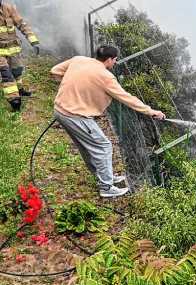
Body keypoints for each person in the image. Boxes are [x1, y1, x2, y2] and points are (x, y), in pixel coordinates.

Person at [50, 46, 165, 198]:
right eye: (115, 59)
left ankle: (104, 176)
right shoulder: (105, 77)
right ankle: (106, 187)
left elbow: (55, 71)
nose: (115, 62)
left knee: (87, 147)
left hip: (60, 110)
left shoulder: (79, 60)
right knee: (103, 146)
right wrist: (152, 111)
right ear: (109, 59)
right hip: (75, 115)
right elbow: (127, 98)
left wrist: (74, 88)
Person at [0, 0, 39, 112]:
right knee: (7, 75)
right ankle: (14, 100)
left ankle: (20, 90)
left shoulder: (9, 8)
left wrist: (33, 41)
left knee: (17, 71)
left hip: (13, 49)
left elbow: (21, 24)